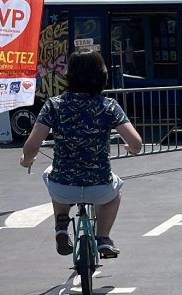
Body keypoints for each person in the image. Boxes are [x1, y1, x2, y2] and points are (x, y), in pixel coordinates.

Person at [20, 50, 143, 258]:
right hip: (100, 186)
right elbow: (136, 142)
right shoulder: (109, 106)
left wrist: (27, 160)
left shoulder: (54, 105)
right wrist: (131, 149)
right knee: (116, 190)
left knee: (52, 174)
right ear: (101, 74)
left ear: (69, 74)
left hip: (64, 189)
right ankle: (103, 237)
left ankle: (61, 225)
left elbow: (32, 146)